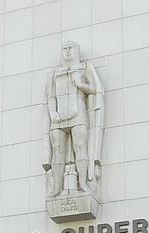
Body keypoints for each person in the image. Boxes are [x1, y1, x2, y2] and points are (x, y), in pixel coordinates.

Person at [44, 41, 104, 198]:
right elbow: (50, 96)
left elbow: (94, 90)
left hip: (78, 114)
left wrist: (80, 84)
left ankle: (83, 184)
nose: (68, 51)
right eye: (65, 49)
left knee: (79, 146)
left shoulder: (84, 67)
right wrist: (52, 112)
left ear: (77, 51)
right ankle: (57, 187)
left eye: (71, 48)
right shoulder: (54, 72)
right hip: (58, 117)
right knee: (57, 150)